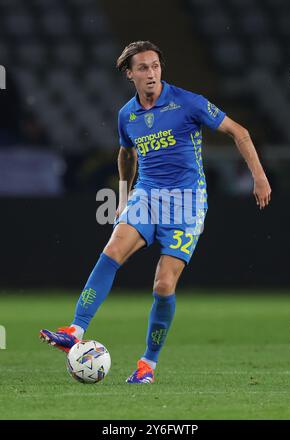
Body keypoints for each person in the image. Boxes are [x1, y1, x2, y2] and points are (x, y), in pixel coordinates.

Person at [40, 41, 271, 384]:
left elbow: (240, 132)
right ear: (129, 74)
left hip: (187, 203)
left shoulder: (187, 102)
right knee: (112, 250)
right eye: (143, 68)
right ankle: (75, 329)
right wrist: (123, 195)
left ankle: (147, 364)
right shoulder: (127, 114)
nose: (151, 73)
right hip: (147, 196)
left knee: (163, 285)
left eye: (155, 66)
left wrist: (259, 176)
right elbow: (126, 154)